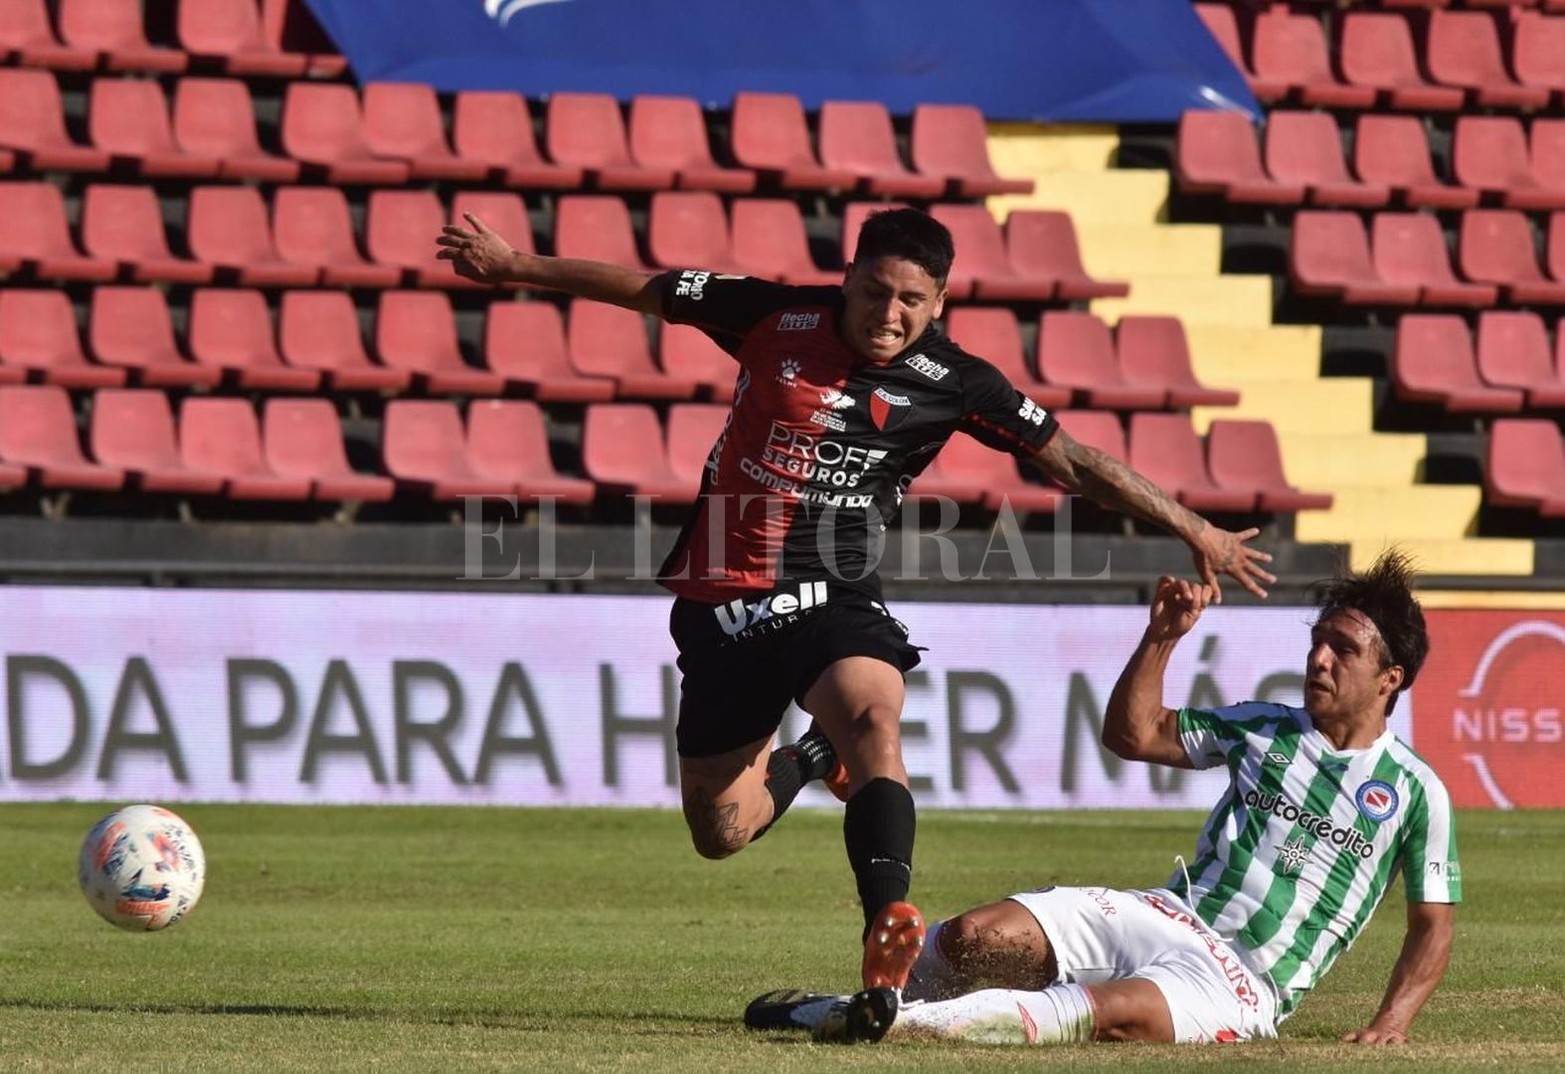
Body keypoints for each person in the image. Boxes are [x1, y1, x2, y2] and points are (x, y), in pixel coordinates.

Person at [436, 207, 1275, 990]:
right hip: (718, 597)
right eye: (874, 290)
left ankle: (888, 941)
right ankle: (807, 759)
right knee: (719, 833)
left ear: (939, 301)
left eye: (912, 299)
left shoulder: (955, 380)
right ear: (847, 279)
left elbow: (1075, 461)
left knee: (875, 718)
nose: (888, 312)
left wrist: (1192, 525)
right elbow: (647, 289)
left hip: (832, 589)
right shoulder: (771, 316)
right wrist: (515, 266)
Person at [747, 550, 1461, 1045]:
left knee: (1100, 1015)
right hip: (1166, 912)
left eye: (1342, 648)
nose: (1318, 659)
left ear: (1390, 677)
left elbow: (1431, 925)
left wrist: (1391, 1021)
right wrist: (1160, 638)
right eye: (1317, 641)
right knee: (972, 939)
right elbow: (1133, 735)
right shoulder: (1263, 729)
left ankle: (855, 1019)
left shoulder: (1415, 792)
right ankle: (882, 999)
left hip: (1241, 981)